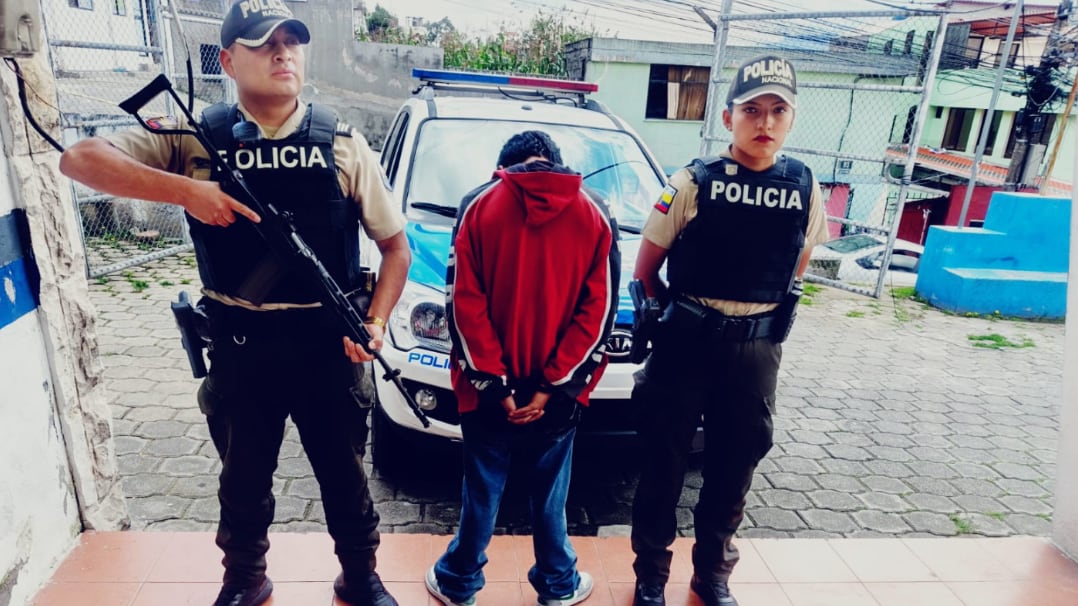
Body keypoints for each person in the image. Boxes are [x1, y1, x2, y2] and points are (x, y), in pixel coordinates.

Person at [59, 3, 410, 606]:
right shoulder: (196, 139)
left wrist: (374, 323)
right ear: (227, 59)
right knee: (243, 480)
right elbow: (79, 158)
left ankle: (360, 576)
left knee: (345, 476)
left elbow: (396, 250)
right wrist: (187, 191)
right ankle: (244, 579)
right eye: (264, 43)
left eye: (292, 42)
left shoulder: (344, 144)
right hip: (243, 345)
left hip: (328, 343)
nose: (283, 53)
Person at [628, 55, 828, 606]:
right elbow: (646, 272)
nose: (764, 122)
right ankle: (651, 574)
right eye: (752, 110)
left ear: (791, 119)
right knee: (663, 463)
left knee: (734, 463)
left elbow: (796, 269)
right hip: (686, 346)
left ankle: (712, 574)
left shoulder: (804, 187)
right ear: (728, 117)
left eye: (777, 110)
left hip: (755, 351)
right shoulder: (691, 183)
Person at [424, 131, 619, 606]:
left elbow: (462, 304)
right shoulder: (594, 211)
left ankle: (458, 582)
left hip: (486, 390)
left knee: (483, 489)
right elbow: (601, 311)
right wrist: (554, 385)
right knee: (551, 494)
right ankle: (557, 585)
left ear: (503, 167)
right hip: (558, 394)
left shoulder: (478, 206)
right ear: (552, 163)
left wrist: (494, 385)